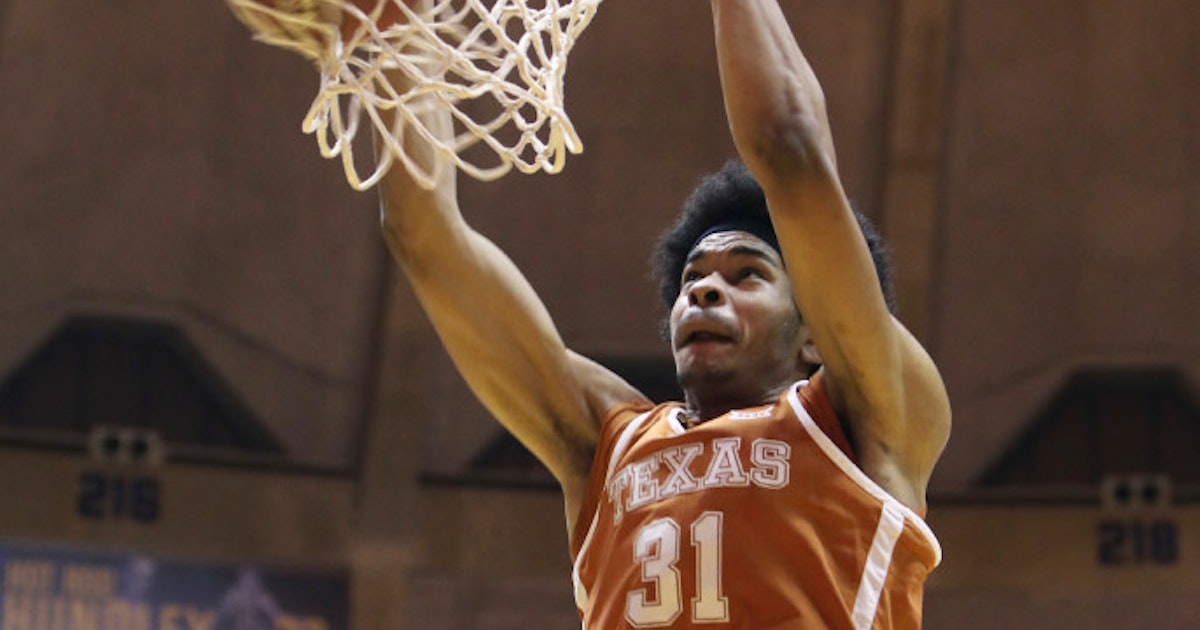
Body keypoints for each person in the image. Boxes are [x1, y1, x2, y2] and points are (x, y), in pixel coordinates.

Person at [378, 0, 951, 627]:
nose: (705, 291)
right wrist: (389, 37)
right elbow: (423, 234)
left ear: (815, 331)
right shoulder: (612, 442)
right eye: (693, 279)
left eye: (746, 276)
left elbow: (788, 145)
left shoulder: (869, 414)